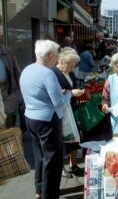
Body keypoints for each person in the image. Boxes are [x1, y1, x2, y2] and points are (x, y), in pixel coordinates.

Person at [19, 40, 84, 199]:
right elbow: (59, 104)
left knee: (40, 156)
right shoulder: (47, 74)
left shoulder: (27, 69)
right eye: (56, 56)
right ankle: (49, 195)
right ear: (49, 55)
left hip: (30, 118)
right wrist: (70, 93)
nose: (57, 60)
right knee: (53, 161)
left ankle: (39, 190)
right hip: (47, 120)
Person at [52, 48, 84, 178]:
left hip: (72, 108)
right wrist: (70, 92)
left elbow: (72, 87)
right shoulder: (53, 73)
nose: (72, 68)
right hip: (61, 111)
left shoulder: (69, 73)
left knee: (75, 137)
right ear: (62, 62)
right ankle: (61, 168)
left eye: (73, 66)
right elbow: (55, 92)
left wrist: (77, 92)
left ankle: (73, 164)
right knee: (61, 140)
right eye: (70, 65)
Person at [0, 44, 25, 130]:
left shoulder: (7, 52)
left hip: (7, 89)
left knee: (9, 116)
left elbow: (17, 72)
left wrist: (22, 93)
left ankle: (10, 139)